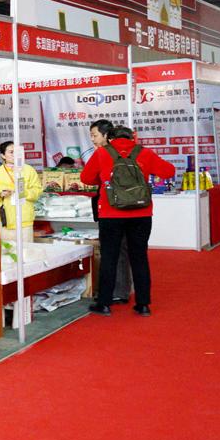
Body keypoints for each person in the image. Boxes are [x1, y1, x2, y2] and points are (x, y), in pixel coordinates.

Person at [81, 125, 176, 317]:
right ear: (132, 138)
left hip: (110, 214)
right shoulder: (145, 153)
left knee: (109, 258)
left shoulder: (102, 153)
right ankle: (143, 304)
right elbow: (169, 171)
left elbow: (86, 178)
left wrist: (105, 180)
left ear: (110, 138)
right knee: (139, 258)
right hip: (141, 213)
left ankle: (104, 303)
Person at [88, 119, 131, 305]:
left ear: (106, 135)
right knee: (123, 250)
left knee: (110, 252)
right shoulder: (130, 151)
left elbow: (87, 177)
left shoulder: (103, 153)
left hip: (110, 208)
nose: (92, 139)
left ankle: (109, 293)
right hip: (131, 207)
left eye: (95, 135)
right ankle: (122, 291)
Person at [0, 141, 42, 243]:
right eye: (11, 152)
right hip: (5, 220)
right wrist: (0, 194)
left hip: (24, 220)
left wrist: (23, 192)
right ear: (3, 155)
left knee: (26, 250)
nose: (15, 154)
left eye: (17, 151)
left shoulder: (29, 170)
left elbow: (37, 191)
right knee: (7, 250)